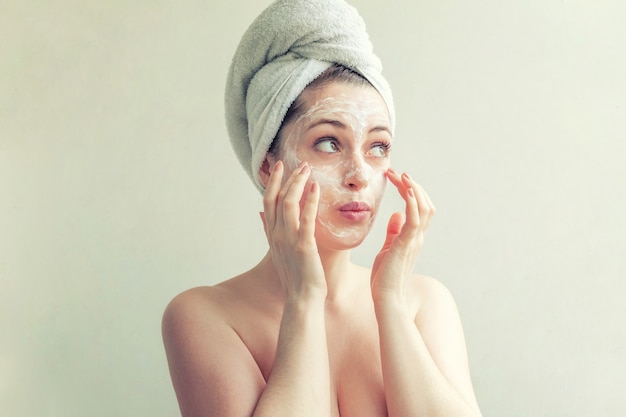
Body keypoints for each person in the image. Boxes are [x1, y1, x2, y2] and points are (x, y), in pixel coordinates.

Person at [162, 1, 482, 416]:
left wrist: (391, 304)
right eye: (329, 142)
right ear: (268, 165)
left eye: (378, 147)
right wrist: (304, 300)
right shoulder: (204, 316)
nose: (360, 175)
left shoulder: (424, 303)